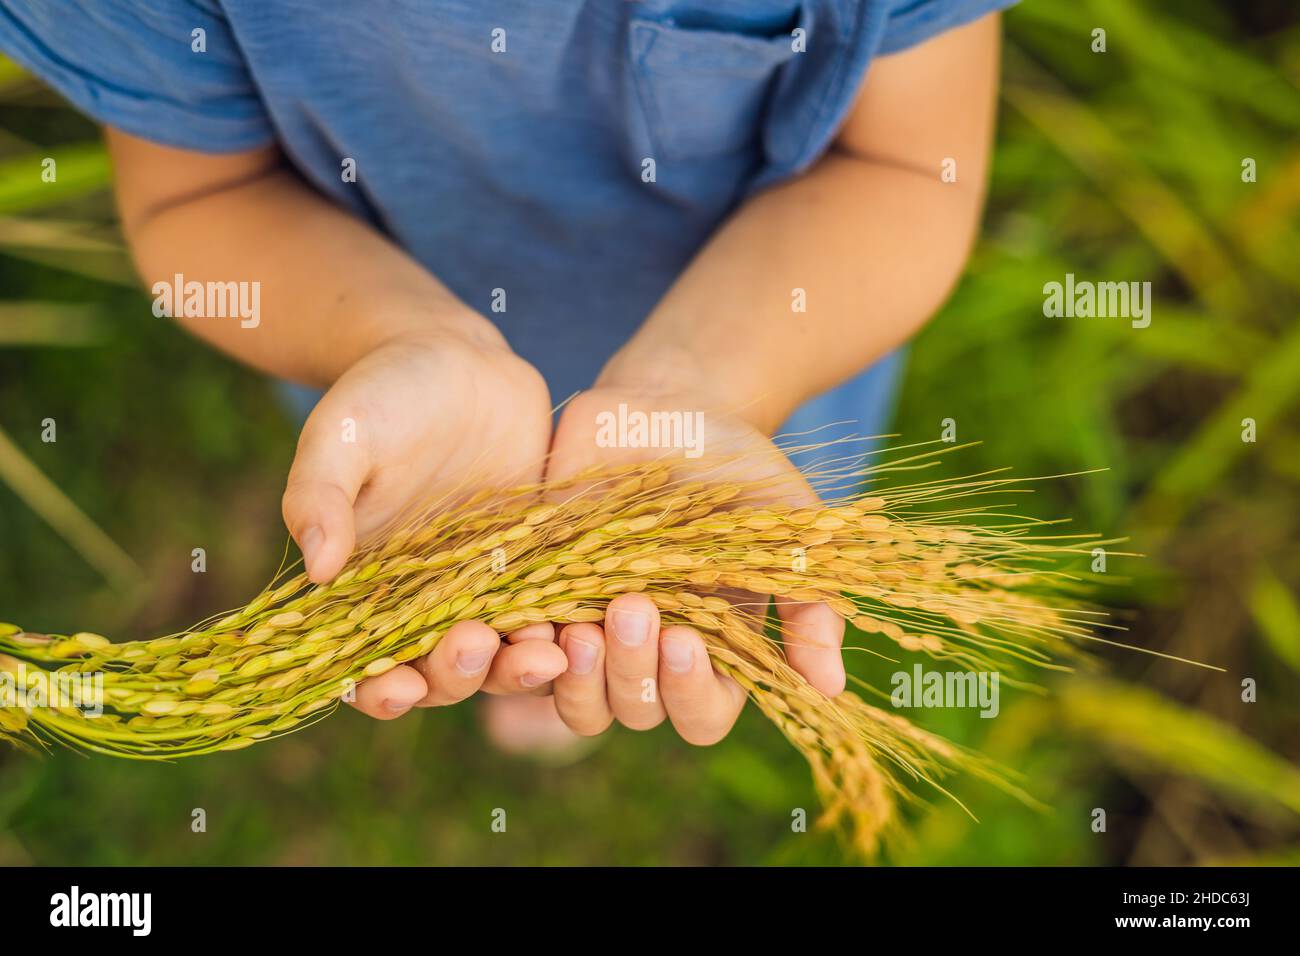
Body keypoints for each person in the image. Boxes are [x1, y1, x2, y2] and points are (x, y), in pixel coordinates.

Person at [0, 0, 1007, 751]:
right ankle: (540, 669)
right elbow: (202, 193)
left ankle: (556, 662)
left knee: (627, 618)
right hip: (389, 356)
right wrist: (408, 339)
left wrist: (702, 389)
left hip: (755, 370)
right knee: (518, 616)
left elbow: (908, 167)